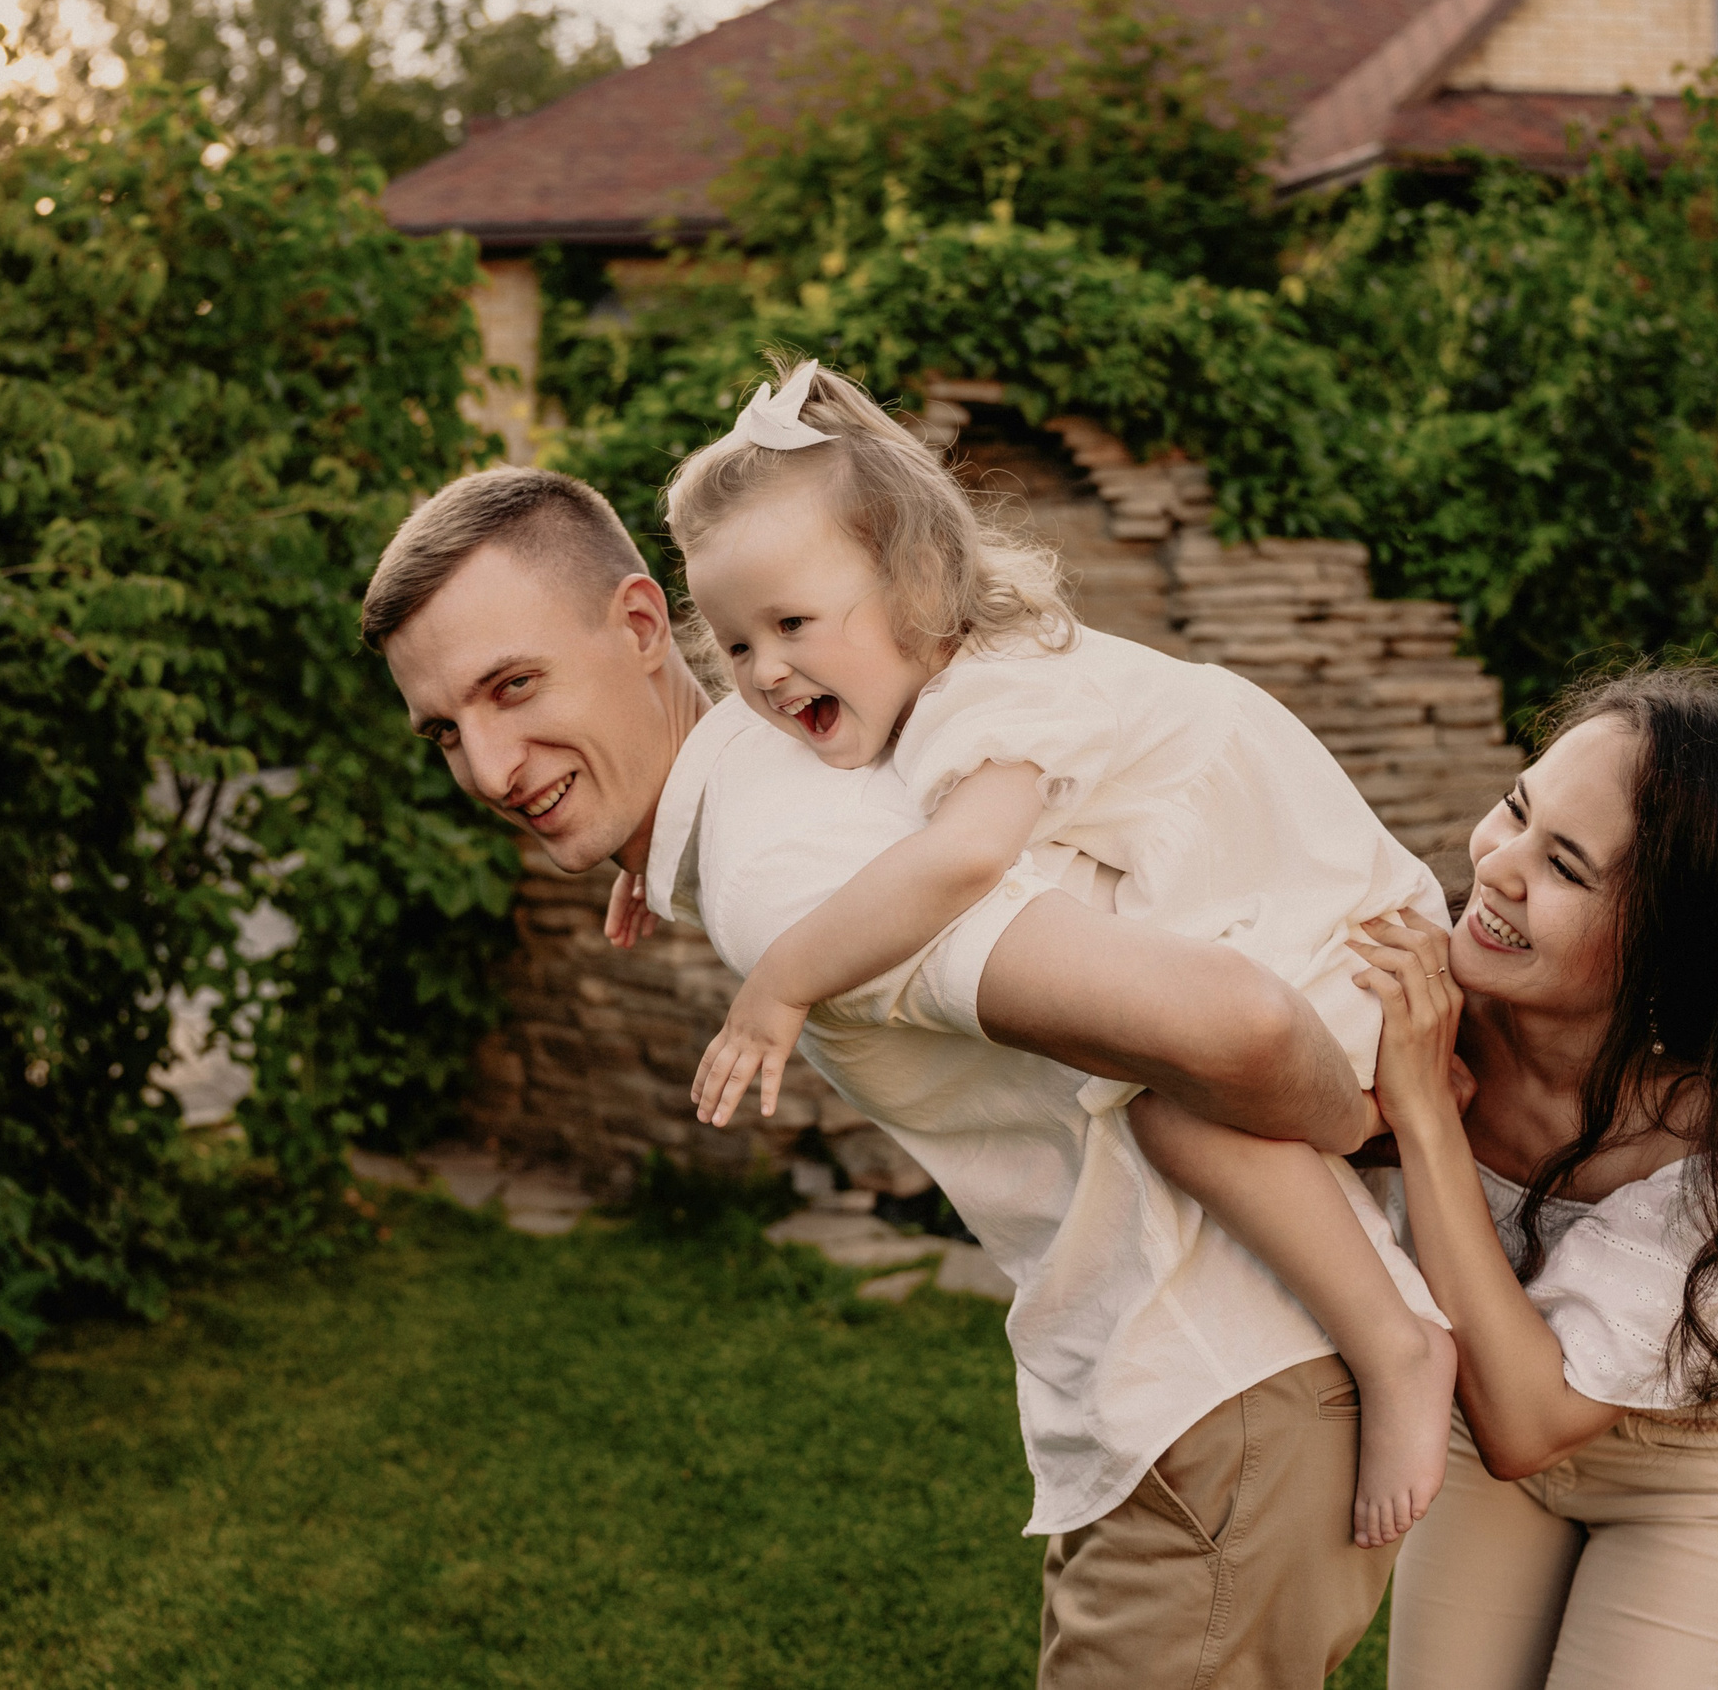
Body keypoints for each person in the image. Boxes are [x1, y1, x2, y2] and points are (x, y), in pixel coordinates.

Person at [362, 458, 1437, 1688]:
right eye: (448, 730)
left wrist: (1373, 1124)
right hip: (1207, 1401)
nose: (492, 768)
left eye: (516, 686)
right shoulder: (799, 752)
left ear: (644, 627)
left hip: (1219, 1392)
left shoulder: (782, 881)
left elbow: (1232, 1022)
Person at [609, 358, 1456, 1548]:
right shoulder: (933, 678)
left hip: (1317, 919)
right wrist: (645, 860)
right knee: (1174, 1089)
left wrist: (780, 982)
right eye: (736, 643)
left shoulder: (987, 699)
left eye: (792, 624)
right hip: (1262, 894)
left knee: (1178, 1109)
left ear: (911, 580)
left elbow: (955, 863)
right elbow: (823, 791)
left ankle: (1400, 1342)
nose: (761, 672)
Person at [1146, 666, 1718, 1689]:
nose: (1497, 866)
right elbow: (1177, 1084)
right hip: (1476, 1430)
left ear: (1673, 950)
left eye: (1567, 869)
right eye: (1515, 808)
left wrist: (1421, 1112)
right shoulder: (1410, 994)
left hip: (1695, 1473)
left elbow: (1527, 1421)